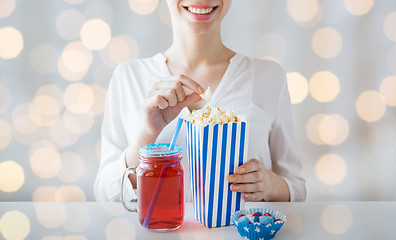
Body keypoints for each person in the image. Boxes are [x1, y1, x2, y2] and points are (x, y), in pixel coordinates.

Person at [94, 0, 306, 202]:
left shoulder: (269, 76)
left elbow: (297, 188)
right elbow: (105, 193)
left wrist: (271, 185)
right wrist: (149, 132)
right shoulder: (129, 76)